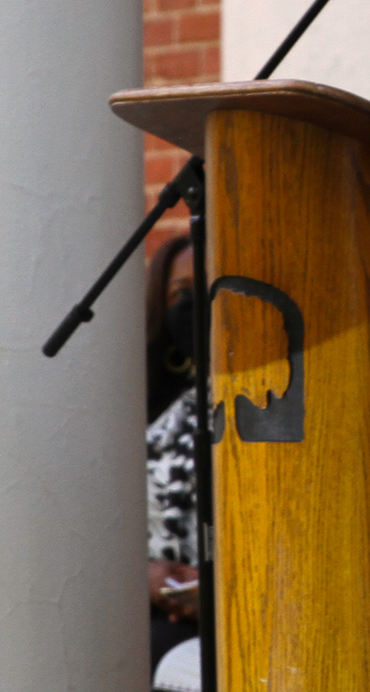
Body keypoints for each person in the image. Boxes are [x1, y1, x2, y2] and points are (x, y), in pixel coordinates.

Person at [144, 234, 202, 675]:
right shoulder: (144, 407)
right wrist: (147, 575)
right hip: (156, 612)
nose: (196, 304)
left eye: (208, 287)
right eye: (182, 294)